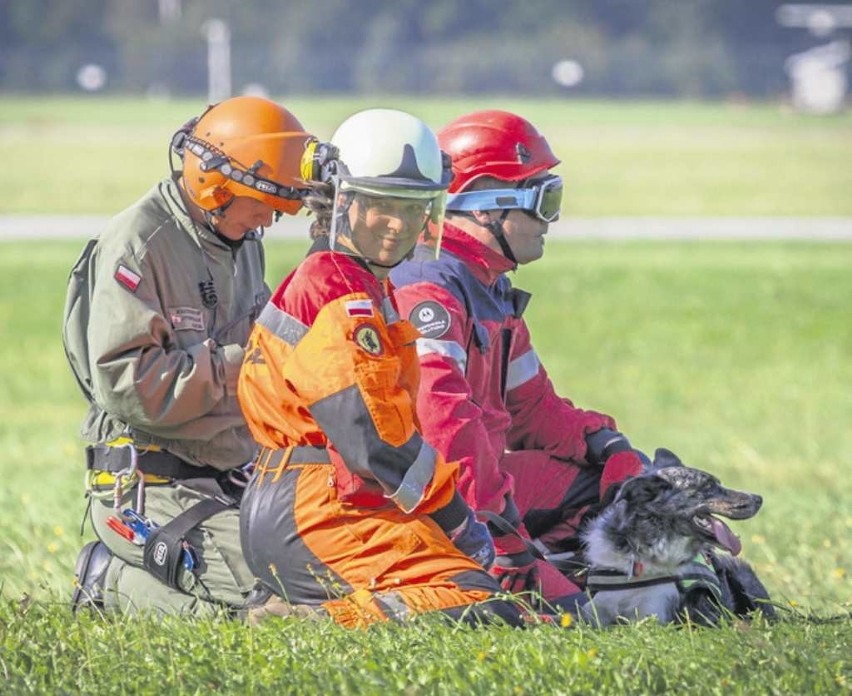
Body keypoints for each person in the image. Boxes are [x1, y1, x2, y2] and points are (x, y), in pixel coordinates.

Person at [236, 108, 524, 629]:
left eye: (413, 209)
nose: (398, 225)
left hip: (316, 498)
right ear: (341, 203)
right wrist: (455, 516)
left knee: (475, 591)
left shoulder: (354, 280)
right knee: (480, 604)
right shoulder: (337, 289)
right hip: (317, 506)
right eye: (380, 206)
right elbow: (374, 438)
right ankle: (315, 622)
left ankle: (309, 610)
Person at [389, 110, 649, 613]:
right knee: (578, 616)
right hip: (436, 506)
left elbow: (533, 410)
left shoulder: (490, 289)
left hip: (479, 492)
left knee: (614, 488)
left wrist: (602, 440)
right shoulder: (430, 287)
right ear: (486, 208)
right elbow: (444, 430)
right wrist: (495, 530)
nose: (551, 220)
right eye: (543, 200)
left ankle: (543, 560)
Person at [64, 95, 313, 616]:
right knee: (274, 606)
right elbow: (128, 385)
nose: (268, 219)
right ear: (214, 183)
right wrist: (239, 363)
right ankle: (109, 581)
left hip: (230, 474)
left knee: (319, 572)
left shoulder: (241, 241)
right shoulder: (139, 244)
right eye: (263, 202)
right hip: (154, 484)